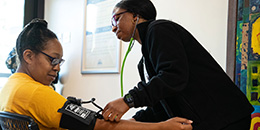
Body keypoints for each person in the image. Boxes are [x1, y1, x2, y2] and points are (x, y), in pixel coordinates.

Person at [0, 18, 193, 130]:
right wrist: (160, 127)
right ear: (28, 56)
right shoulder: (36, 93)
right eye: (53, 59)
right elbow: (99, 126)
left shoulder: (11, 87)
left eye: (60, 62)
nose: (57, 67)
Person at [102, 0, 255, 130]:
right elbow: (160, 103)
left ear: (135, 15)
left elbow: (173, 76)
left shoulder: (159, 29)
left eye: (116, 19)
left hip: (226, 118)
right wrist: (133, 121)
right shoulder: (144, 62)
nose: (113, 28)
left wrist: (128, 100)